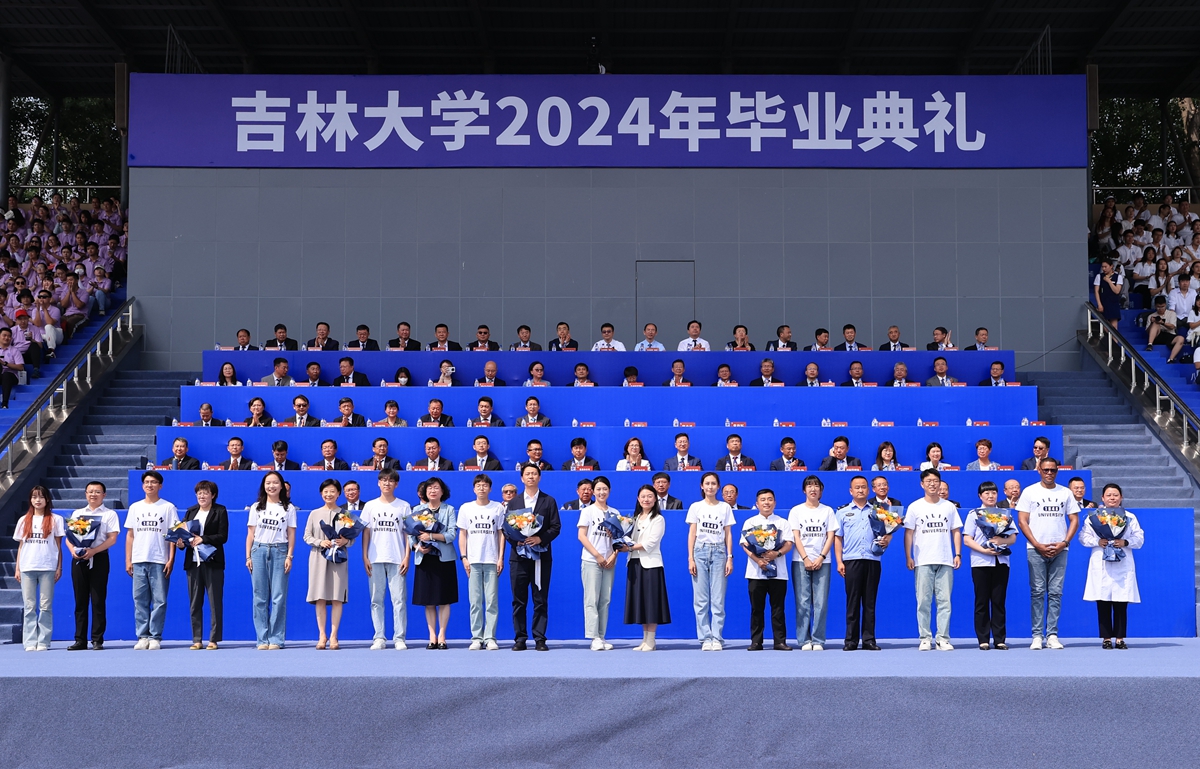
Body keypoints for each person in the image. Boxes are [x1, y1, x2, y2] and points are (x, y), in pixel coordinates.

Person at [1016, 458, 1080, 650]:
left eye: (1053, 470)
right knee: (1037, 592)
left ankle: (1052, 634)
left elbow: (1074, 520)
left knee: (1055, 593)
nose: (1049, 473)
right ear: (1039, 470)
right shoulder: (1029, 492)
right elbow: (1022, 521)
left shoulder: (1065, 492)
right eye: (1046, 470)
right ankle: (1037, 635)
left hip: (1060, 549)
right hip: (1035, 549)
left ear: (1057, 471)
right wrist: (1036, 544)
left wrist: (1064, 543)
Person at [904, 469, 962, 651]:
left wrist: (957, 554)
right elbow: (909, 533)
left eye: (935, 480)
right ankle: (925, 638)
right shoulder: (915, 507)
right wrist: (908, 556)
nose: (932, 484)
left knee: (945, 601)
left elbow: (955, 531)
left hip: (945, 559)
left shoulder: (949, 506)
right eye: (928, 481)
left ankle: (943, 638)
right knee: (923, 601)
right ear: (922, 484)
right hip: (923, 560)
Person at [1081, 483, 1143, 650]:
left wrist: (1125, 542)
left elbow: (1139, 538)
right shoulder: (1093, 517)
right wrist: (1098, 541)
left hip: (1122, 562)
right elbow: (1083, 537)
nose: (1112, 498)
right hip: (1101, 561)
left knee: (1121, 601)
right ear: (1102, 498)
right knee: (1103, 601)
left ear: (1121, 497)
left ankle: (1120, 638)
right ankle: (1106, 638)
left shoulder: (1130, 517)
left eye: (1115, 495)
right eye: (1108, 495)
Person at [507, 463, 561, 651]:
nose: (531, 477)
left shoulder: (549, 501)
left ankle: (540, 638)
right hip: (518, 558)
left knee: (540, 599)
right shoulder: (514, 502)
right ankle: (520, 638)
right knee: (518, 600)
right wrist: (517, 541)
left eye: (534, 474)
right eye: (527, 474)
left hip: (541, 557)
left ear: (539, 477)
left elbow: (556, 527)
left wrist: (540, 538)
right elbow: (507, 529)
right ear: (522, 478)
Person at [125, 472, 178, 650]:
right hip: (139, 559)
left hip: (159, 559)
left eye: (154, 482)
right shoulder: (135, 507)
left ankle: (155, 636)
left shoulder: (168, 507)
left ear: (160, 486)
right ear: (142, 485)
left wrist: (171, 559)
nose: (150, 485)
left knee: (160, 600)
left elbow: (173, 535)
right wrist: (128, 559)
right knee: (139, 599)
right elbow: (130, 535)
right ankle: (142, 636)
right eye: (147, 482)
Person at [361, 469, 412, 650]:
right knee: (376, 600)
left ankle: (399, 638)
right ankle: (379, 637)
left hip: (397, 558)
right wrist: (365, 556)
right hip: (375, 558)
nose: (387, 483)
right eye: (383, 480)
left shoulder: (403, 506)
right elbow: (366, 532)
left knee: (399, 600)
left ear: (396, 484)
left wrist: (407, 556)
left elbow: (408, 533)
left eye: (390, 480)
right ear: (378, 483)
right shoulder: (370, 506)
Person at [962, 480, 1016, 650]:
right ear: (980, 496)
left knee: (999, 601)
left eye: (993, 493)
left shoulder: (1004, 514)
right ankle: (983, 639)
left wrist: (1001, 541)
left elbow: (1013, 537)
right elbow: (967, 539)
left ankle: (999, 639)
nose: (991, 496)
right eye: (987, 493)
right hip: (981, 562)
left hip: (1001, 561)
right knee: (982, 601)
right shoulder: (973, 514)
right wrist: (984, 550)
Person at [835, 475, 887, 651]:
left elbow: (887, 532)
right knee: (853, 601)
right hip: (851, 560)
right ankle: (850, 640)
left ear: (869, 490)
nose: (860, 490)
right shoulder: (842, 512)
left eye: (863, 487)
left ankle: (869, 639)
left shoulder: (878, 511)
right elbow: (838, 538)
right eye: (857, 487)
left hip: (872, 559)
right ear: (851, 491)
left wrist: (886, 540)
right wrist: (839, 561)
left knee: (870, 602)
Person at [246, 471, 297, 650]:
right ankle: (262, 639)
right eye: (268, 483)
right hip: (258, 550)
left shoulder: (288, 508)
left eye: (275, 482)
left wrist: (289, 556)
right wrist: (248, 556)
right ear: (264, 486)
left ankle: (276, 638)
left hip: (280, 550)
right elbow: (250, 534)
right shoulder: (256, 507)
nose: (271, 486)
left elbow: (291, 534)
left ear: (282, 486)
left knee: (278, 596)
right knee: (259, 597)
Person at [686, 472, 736, 651]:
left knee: (718, 598)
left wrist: (729, 557)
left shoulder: (725, 507)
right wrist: (690, 558)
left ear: (718, 486)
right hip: (699, 551)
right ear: (702, 486)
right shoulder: (695, 507)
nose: (710, 486)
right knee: (700, 599)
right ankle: (705, 638)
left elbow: (728, 534)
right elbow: (692, 534)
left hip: (719, 552)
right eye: (707, 483)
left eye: (713, 483)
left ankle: (717, 637)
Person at [67, 481, 120, 650]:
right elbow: (69, 537)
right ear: (85, 494)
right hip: (79, 559)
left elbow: (112, 538)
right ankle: (80, 640)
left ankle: (97, 639)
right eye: (90, 491)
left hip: (99, 558)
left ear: (104, 495)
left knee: (98, 599)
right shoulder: (77, 513)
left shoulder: (109, 514)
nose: (93, 495)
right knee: (80, 600)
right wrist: (73, 551)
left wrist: (94, 551)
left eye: (97, 492)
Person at [456, 474, 505, 650]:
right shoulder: (466, 508)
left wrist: (500, 558)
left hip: (491, 560)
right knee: (475, 601)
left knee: (491, 601)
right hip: (473, 561)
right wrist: (464, 557)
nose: (482, 488)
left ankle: (490, 637)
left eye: (485, 485)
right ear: (474, 488)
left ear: (490, 489)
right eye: (478, 485)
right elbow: (462, 534)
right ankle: (476, 637)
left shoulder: (498, 508)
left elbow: (501, 534)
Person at [408, 477, 458, 651]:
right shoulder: (417, 510)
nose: (433, 491)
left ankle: (442, 635)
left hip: (444, 558)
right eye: (429, 488)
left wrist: (431, 536)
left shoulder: (449, 510)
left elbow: (451, 535)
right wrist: (417, 547)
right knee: (428, 600)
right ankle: (432, 636)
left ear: (442, 491)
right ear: (425, 492)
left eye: (436, 488)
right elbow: (410, 534)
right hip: (425, 558)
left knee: (444, 599)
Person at [787, 476, 836, 651]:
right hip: (800, 561)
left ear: (821, 490)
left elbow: (830, 536)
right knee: (802, 601)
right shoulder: (796, 511)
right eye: (809, 486)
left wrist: (821, 557)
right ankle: (804, 640)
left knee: (821, 602)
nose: (813, 489)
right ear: (804, 490)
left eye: (816, 486)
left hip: (823, 561)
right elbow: (796, 536)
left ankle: (818, 639)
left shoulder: (827, 511)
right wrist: (806, 558)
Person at [177, 479, 227, 650]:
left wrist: (203, 539)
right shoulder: (191, 511)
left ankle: (213, 639)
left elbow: (223, 536)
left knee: (215, 602)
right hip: (193, 563)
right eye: (199, 493)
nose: (202, 496)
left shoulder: (220, 511)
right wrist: (181, 543)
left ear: (213, 495)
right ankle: (197, 639)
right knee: (194, 602)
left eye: (205, 493)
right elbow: (183, 533)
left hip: (213, 561)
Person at [741, 489, 794, 651]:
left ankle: (780, 641)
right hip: (756, 572)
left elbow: (789, 543)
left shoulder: (782, 522)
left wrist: (776, 554)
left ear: (775, 503)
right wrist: (758, 560)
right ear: (757, 504)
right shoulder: (750, 522)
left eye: (770, 499)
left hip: (778, 573)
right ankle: (756, 641)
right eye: (763, 500)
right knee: (757, 608)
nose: (766, 503)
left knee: (778, 608)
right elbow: (745, 545)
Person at [13, 485, 63, 651]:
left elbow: (58, 546)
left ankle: (43, 641)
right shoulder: (23, 520)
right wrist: (18, 568)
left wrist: (59, 567)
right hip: (27, 567)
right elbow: (21, 546)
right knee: (29, 606)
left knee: (45, 606)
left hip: (48, 566)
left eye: (41, 497)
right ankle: (29, 641)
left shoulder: (55, 519)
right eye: (34, 497)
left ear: (47, 499)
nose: (38, 500)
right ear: (30, 500)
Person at [304, 479, 351, 650]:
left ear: (338, 494)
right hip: (318, 558)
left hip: (338, 559)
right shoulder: (314, 513)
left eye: (332, 491)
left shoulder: (344, 514)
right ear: (321, 494)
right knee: (320, 597)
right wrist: (319, 542)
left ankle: (334, 636)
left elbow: (351, 539)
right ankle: (322, 635)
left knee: (337, 596)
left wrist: (345, 541)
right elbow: (307, 536)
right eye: (325, 491)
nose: (329, 494)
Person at [625, 484, 670, 651]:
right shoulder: (635, 518)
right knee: (641, 603)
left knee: (651, 603)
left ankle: (651, 640)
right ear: (638, 499)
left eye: (650, 496)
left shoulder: (658, 519)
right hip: (634, 562)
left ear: (655, 499)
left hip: (651, 564)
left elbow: (650, 543)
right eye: (643, 496)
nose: (646, 499)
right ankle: (644, 639)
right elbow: (627, 537)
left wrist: (628, 547)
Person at [577, 476, 619, 651]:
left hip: (609, 562)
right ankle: (593, 636)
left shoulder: (615, 513)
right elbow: (581, 536)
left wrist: (613, 556)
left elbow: (619, 540)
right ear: (593, 491)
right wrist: (597, 556)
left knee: (605, 600)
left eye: (605, 489)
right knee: (591, 599)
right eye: (598, 489)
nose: (602, 492)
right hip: (591, 561)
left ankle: (602, 636)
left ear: (609, 491)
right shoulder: (588, 511)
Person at [1094, 259, 1123, 328]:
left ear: (1111, 266)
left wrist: (1109, 281)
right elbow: (1096, 291)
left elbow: (1117, 291)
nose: (1104, 269)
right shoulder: (1099, 276)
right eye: (1102, 267)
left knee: (1114, 326)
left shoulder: (1118, 277)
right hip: (1103, 302)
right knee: (1104, 325)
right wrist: (1099, 304)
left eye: (1105, 267)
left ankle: (1114, 336)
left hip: (1113, 303)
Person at [0, 326, 23, 407]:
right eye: (4, 335)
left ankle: (5, 403)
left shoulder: (15, 351)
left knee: (6, 375)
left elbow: (20, 367)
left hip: (11, 376)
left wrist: (5, 364)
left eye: (9, 336)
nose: (7, 338)